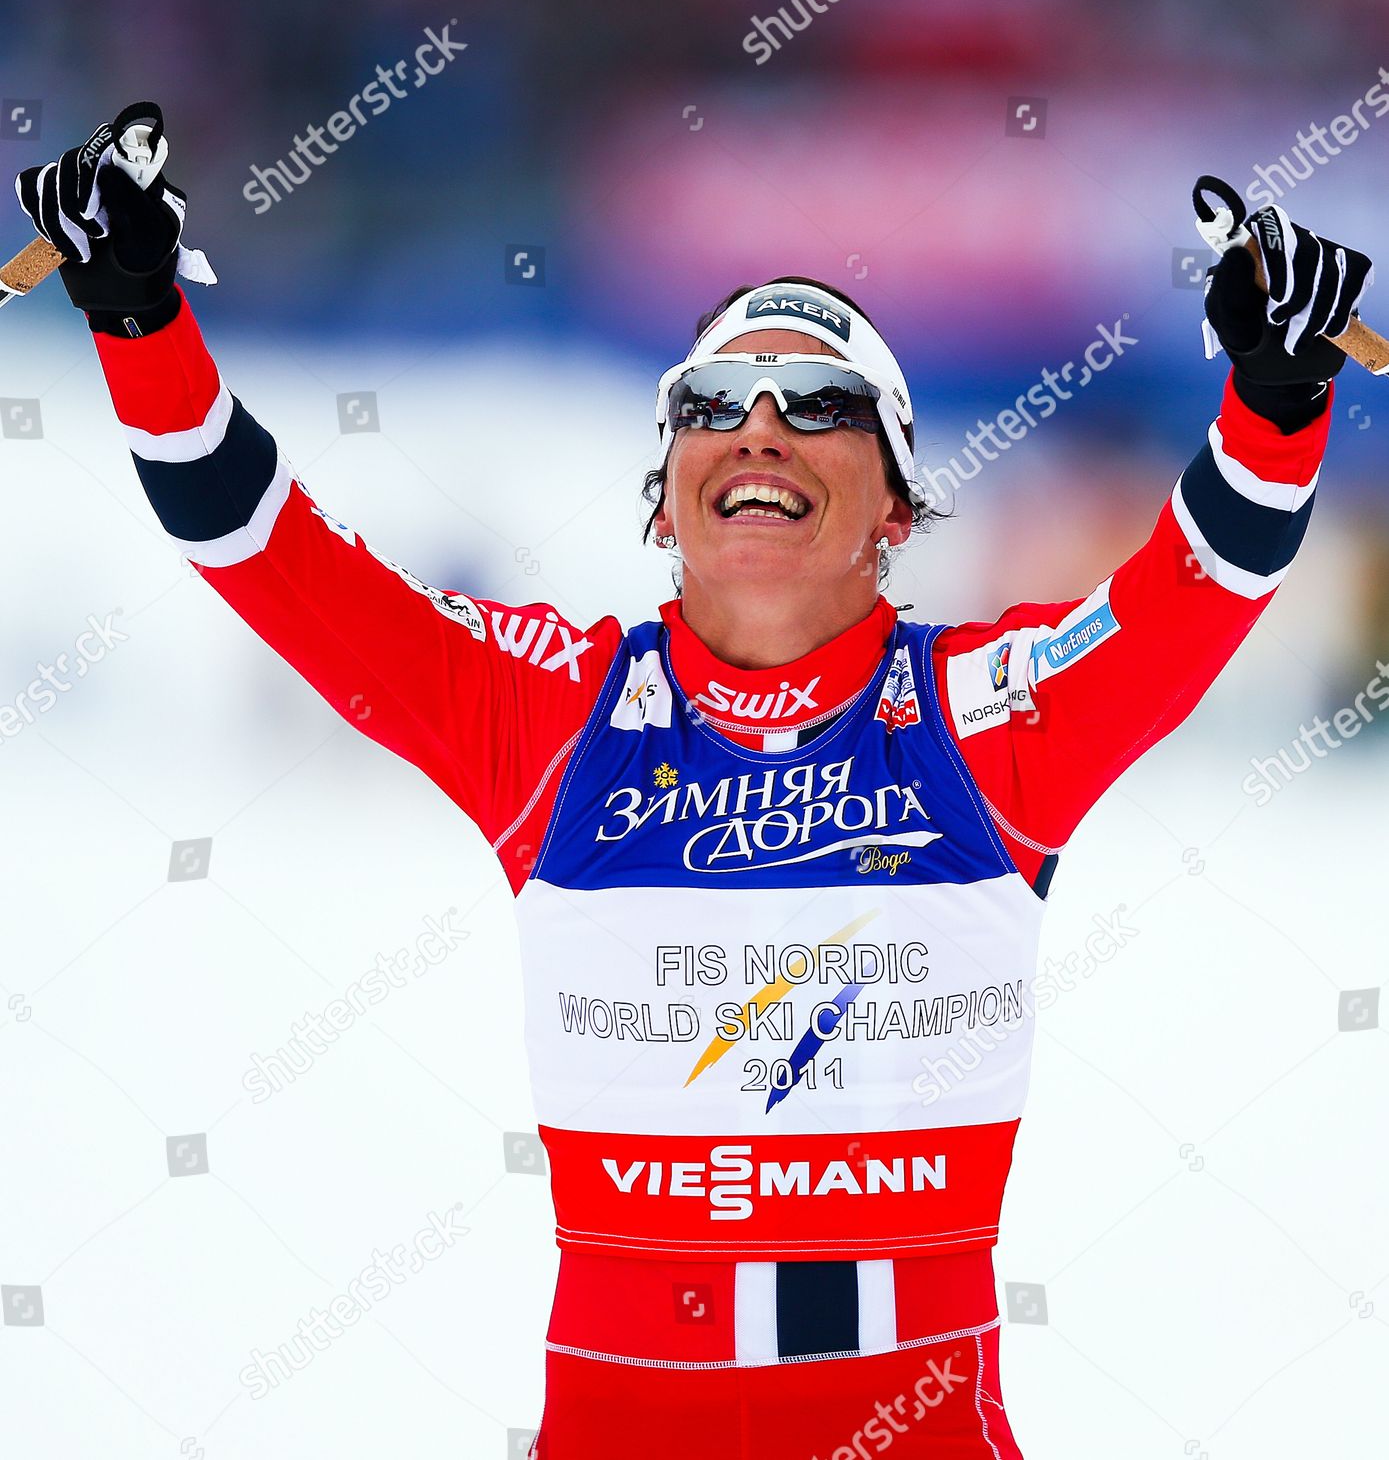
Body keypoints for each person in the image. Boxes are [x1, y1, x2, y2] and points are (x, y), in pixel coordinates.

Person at [16, 106, 1373, 1460]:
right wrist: (141, 321)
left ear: (898, 503)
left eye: (821, 404)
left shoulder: (979, 717)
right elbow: (268, 551)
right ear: (664, 493)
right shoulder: (554, 711)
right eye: (712, 403)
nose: (760, 428)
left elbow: (1202, 586)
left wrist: (1277, 397)